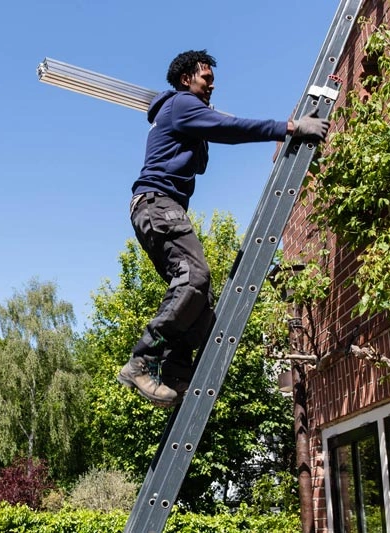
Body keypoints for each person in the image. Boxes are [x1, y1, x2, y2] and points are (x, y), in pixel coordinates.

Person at [117, 50, 329, 407]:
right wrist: (290, 127)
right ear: (187, 79)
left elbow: (201, 157)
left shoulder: (182, 114)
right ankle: (142, 360)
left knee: (201, 301)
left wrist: (205, 126)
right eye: (206, 78)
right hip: (158, 205)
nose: (212, 85)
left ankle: (175, 375)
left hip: (157, 209)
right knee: (194, 278)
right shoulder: (181, 104)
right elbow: (230, 130)